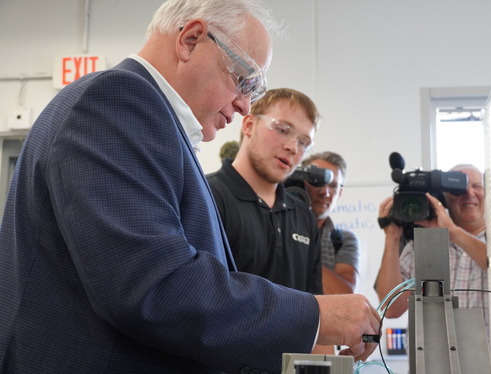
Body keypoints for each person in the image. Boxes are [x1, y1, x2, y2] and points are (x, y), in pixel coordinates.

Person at [0, 1, 380, 373]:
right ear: (191, 39)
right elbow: (155, 286)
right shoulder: (117, 101)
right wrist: (313, 315)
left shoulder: (150, 120)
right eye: (244, 79)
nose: (245, 106)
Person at [207, 88, 322, 294]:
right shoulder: (208, 198)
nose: (293, 147)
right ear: (249, 125)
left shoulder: (303, 216)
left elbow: (314, 302)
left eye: (304, 142)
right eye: (283, 130)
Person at [374, 164, 488, 329]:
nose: (469, 194)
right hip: (433, 353)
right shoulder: (423, 245)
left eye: (477, 186)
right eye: (458, 189)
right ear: (444, 199)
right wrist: (392, 237)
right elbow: (391, 309)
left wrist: (454, 234)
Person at [301, 151, 360, 295]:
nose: (325, 192)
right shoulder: (274, 225)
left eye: (333, 186)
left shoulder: (342, 240)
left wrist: (297, 247)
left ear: (340, 193)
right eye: (318, 182)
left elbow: (344, 294)